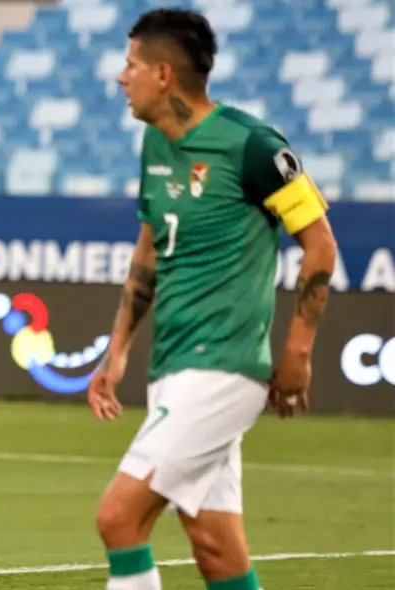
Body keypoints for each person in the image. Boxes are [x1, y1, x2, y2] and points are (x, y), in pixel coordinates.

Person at [88, 8, 338, 590]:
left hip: (222, 370)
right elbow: (148, 252)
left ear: (164, 75)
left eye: (131, 65)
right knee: (215, 547)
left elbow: (320, 243)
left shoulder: (252, 145)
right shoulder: (155, 144)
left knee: (119, 517)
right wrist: (117, 350)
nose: (122, 78)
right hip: (175, 366)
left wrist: (298, 350)